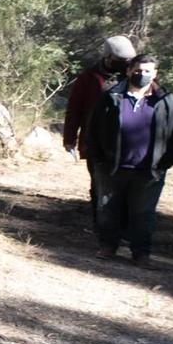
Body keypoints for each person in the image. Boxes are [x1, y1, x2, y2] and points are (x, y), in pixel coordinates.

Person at [82, 54, 173, 267]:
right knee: (107, 209)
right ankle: (107, 246)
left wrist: (165, 163)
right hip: (111, 167)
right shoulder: (110, 97)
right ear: (129, 70)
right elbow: (92, 129)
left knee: (143, 214)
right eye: (138, 70)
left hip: (149, 170)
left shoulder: (167, 101)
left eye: (147, 71)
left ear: (155, 73)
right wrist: (98, 158)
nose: (142, 75)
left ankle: (141, 254)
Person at [63, 35, 138, 215]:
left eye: (128, 60)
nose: (126, 63)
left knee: (127, 188)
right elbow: (75, 109)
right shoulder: (89, 78)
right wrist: (69, 138)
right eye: (121, 60)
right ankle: (101, 222)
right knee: (99, 184)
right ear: (108, 57)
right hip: (95, 141)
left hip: (128, 143)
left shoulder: (136, 76)